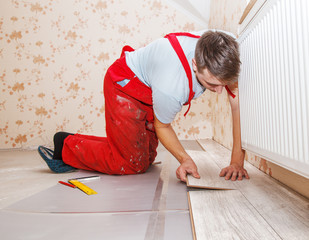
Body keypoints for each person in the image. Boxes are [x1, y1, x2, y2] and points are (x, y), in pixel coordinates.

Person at [38, 29, 249, 182]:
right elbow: (162, 126)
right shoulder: (172, 86)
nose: (220, 91)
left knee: (147, 158)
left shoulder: (222, 45)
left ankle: (77, 142)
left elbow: (236, 105)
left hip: (150, 88)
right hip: (124, 85)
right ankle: (65, 146)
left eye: (224, 84)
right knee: (131, 163)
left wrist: (236, 162)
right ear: (195, 64)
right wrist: (184, 159)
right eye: (212, 84)